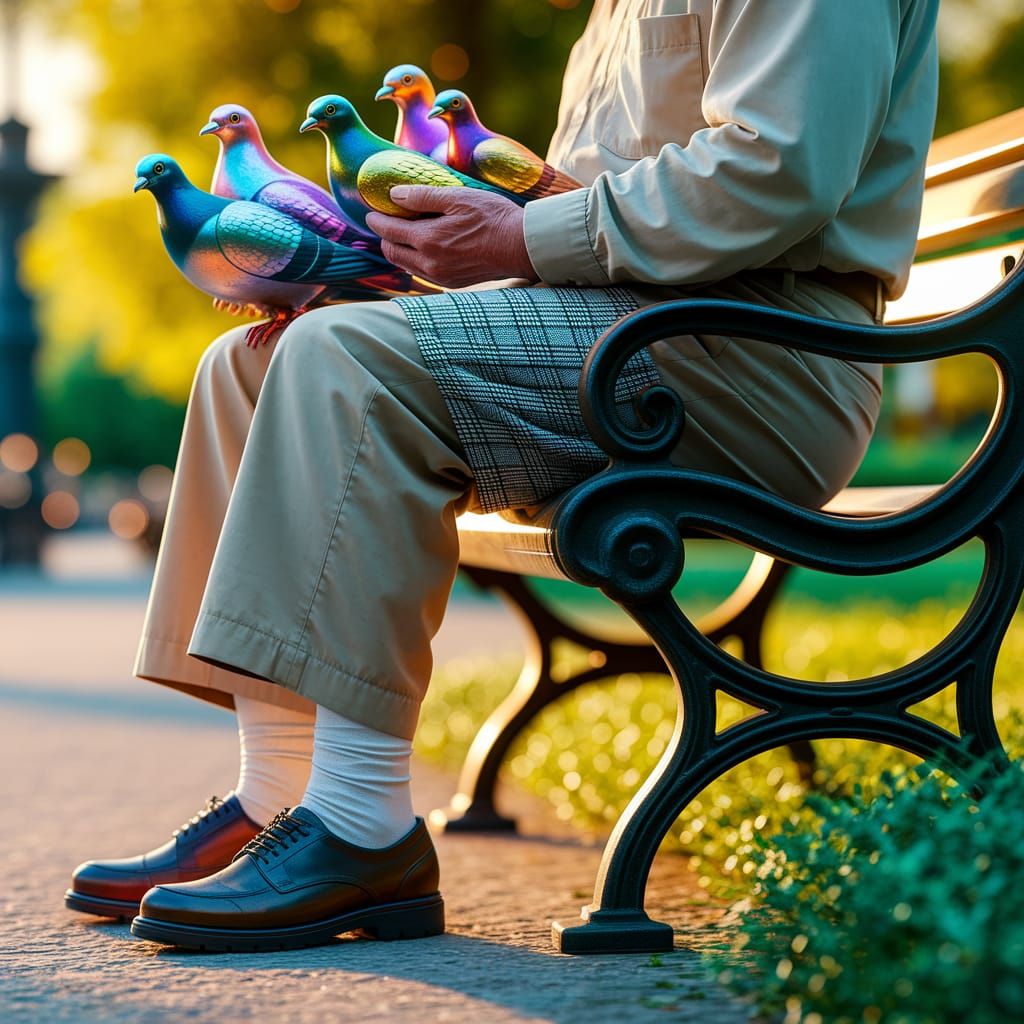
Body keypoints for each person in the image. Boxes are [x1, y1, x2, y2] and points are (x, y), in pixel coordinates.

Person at [67, 0, 940, 951]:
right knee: (253, 361)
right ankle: (280, 789)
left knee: (341, 361)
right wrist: (433, 247)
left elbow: (778, 171)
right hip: (631, 326)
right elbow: (581, 201)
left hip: (757, 352)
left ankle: (365, 828)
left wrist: (519, 241)